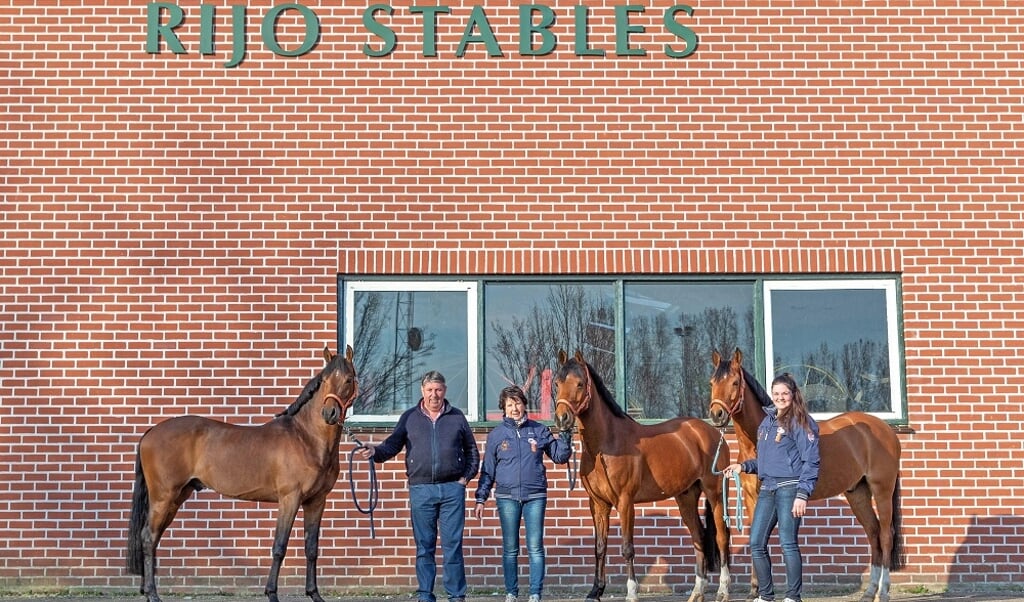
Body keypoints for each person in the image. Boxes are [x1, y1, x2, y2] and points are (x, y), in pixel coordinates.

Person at [357, 371, 480, 602]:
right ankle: (425, 595)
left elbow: (472, 452)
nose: (434, 395)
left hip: (452, 490)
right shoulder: (409, 417)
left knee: (453, 546)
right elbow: (391, 445)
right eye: (430, 390)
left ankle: (456, 596)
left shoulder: (457, 417)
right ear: (422, 391)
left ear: (445, 390)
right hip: (421, 490)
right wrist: (374, 451)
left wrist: (464, 480)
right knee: (424, 546)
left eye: (439, 389)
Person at [723, 373, 820, 602]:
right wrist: (743, 466)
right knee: (756, 542)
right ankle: (766, 596)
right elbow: (766, 461)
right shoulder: (767, 422)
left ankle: (793, 597)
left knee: (788, 543)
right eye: (776, 394)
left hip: (789, 489)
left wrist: (802, 494)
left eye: (785, 393)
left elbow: (811, 461)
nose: (780, 398)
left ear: (793, 394)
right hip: (767, 489)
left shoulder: (801, 422)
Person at [473, 386, 573, 602]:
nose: (514, 408)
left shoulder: (539, 430)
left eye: (517, 403)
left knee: (535, 547)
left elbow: (559, 456)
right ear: (504, 409)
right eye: (509, 405)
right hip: (506, 498)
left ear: (524, 404)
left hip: (535, 496)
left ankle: (535, 593)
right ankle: (511, 592)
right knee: (510, 549)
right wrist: (481, 498)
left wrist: (565, 435)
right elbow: (488, 470)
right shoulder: (497, 436)